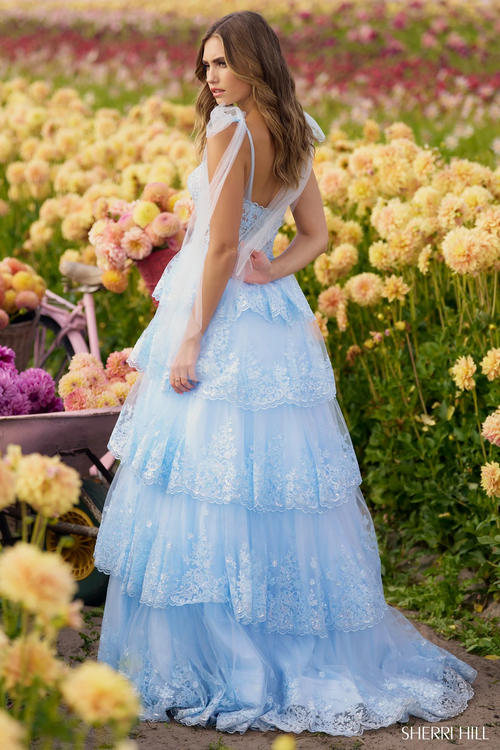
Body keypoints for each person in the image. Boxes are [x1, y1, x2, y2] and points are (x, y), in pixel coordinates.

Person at [94, 10, 477, 737]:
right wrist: (270, 271)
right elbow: (316, 237)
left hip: (217, 315)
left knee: (204, 482)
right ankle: (274, 646)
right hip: (269, 315)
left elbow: (214, 250)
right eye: (204, 64)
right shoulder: (297, 128)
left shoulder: (231, 129)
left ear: (252, 62)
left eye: (220, 64)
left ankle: (215, 658)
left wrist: (190, 342)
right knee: (270, 485)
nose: (209, 77)